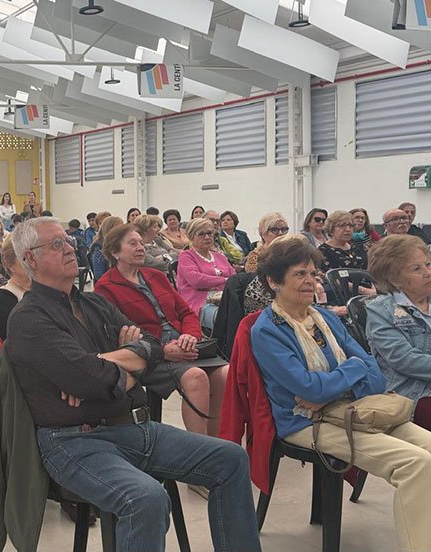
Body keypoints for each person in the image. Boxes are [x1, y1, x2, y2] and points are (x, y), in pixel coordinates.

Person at [5, 217, 260, 552]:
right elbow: (91, 378)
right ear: (31, 259)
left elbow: (151, 347)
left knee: (231, 459)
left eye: (68, 240)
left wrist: (105, 362)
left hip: (135, 429)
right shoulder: (28, 318)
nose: (70, 248)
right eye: (57, 244)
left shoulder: (93, 303)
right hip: (75, 441)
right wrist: (123, 362)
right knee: (146, 498)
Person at [250, 237, 431, 552]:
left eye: (313, 273)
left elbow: (373, 376)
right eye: (300, 274)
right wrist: (351, 371)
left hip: (354, 408)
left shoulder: (326, 318)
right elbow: (309, 389)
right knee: (415, 463)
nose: (311, 281)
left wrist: (337, 380)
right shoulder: (268, 330)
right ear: (273, 281)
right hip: (306, 421)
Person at [94, 225, 229, 449]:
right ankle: (200, 459)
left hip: (184, 345)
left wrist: (190, 336)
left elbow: (185, 312)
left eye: (141, 243)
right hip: (150, 356)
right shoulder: (106, 288)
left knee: (225, 374)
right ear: (115, 252)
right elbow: (126, 332)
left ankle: (216, 448)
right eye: (133, 243)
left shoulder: (155, 275)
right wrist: (164, 350)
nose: (141, 248)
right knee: (196, 377)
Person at [366, 234, 431, 406]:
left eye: (428, 264)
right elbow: (406, 361)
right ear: (395, 279)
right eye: (416, 269)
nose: (428, 273)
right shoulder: (380, 311)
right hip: (412, 395)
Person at [176, 218, 236, 329]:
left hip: (225, 300)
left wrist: (227, 281)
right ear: (191, 237)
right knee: (229, 317)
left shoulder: (219, 256)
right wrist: (224, 280)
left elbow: (235, 278)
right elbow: (197, 280)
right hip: (199, 303)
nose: (207, 237)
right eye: (201, 234)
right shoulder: (186, 256)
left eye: (209, 233)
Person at [0, 234, 29, 340]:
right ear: (10, 265)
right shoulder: (3, 298)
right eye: (25, 258)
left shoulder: (48, 288)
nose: (32, 261)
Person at [90, 216, 123, 281]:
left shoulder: (119, 245)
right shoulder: (99, 247)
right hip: (107, 285)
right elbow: (99, 274)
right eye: (120, 227)